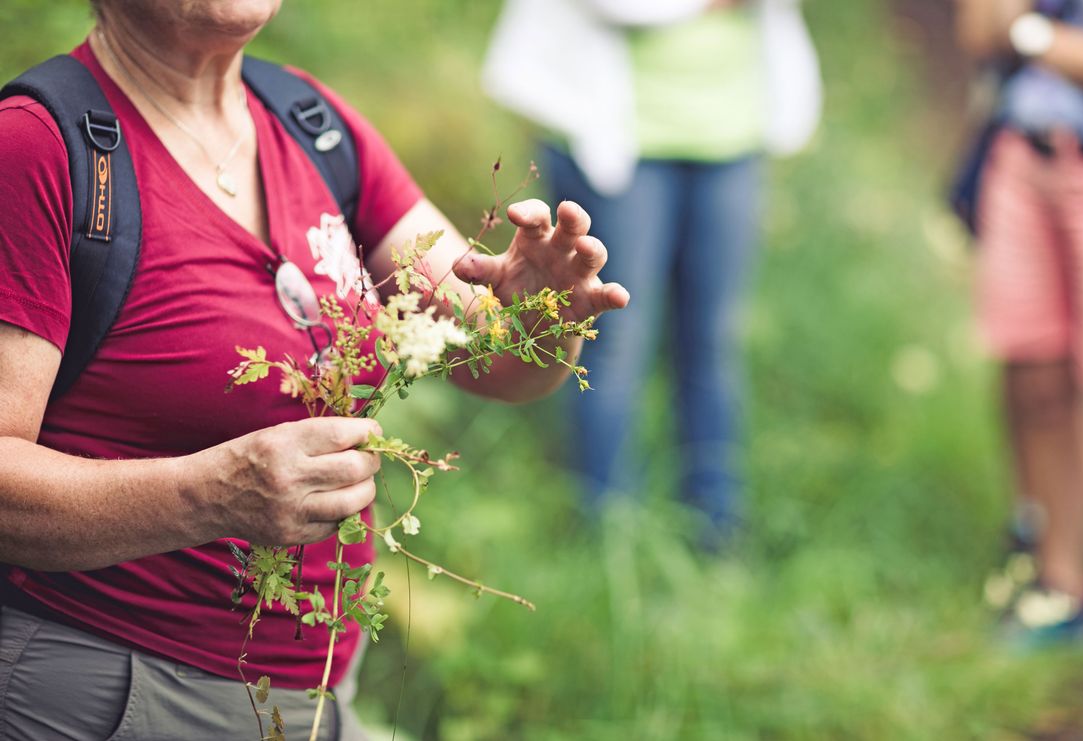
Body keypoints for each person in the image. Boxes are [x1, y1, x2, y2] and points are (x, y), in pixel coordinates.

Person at [0, 2, 629, 738]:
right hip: (110, 692)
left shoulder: (309, 123)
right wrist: (206, 496)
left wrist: (541, 321)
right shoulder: (36, 147)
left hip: (312, 702)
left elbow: (492, 363)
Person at [482, 0, 821, 546]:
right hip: (616, 141)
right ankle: (605, 532)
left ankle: (717, 530)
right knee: (614, 335)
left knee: (713, 341)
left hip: (732, 136)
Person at [954, 0, 1083, 643]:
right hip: (1024, 158)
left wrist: (1028, 33)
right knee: (1035, 375)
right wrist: (1051, 41)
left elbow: (1008, 28)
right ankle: (1060, 580)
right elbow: (978, 29)